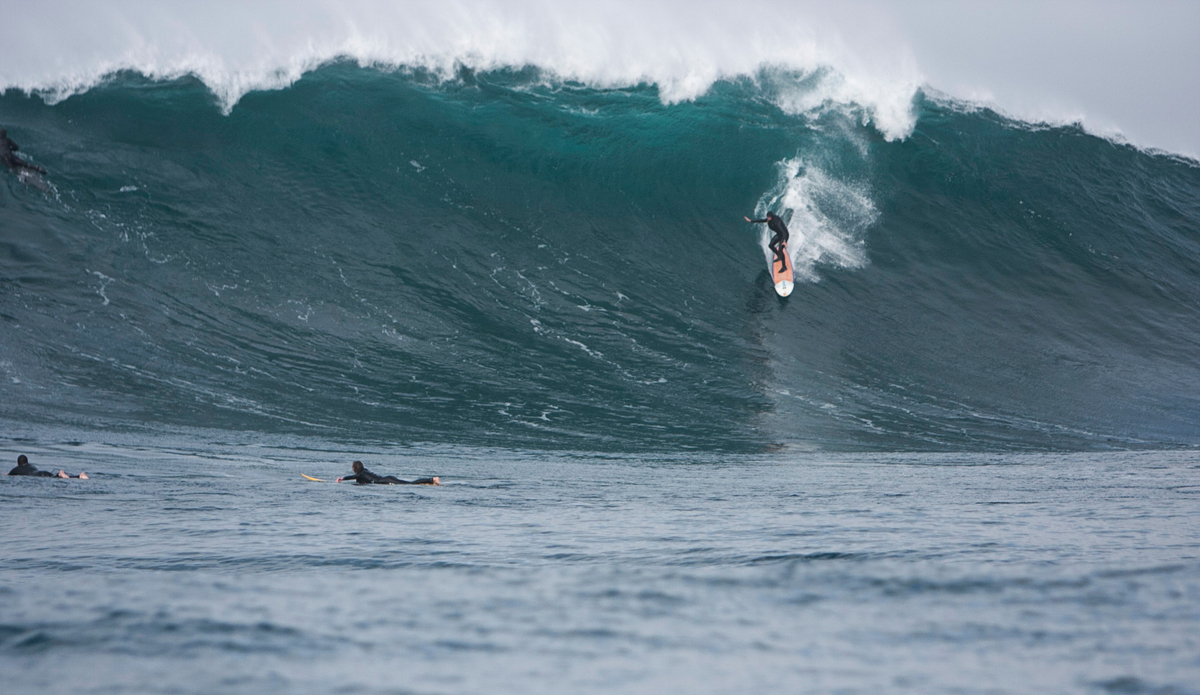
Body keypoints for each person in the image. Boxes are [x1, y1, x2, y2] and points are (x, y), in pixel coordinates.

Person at [336, 460, 439, 485]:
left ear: (355, 468)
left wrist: (343, 478)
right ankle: (431, 480)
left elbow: (353, 477)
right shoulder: (364, 471)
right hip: (387, 478)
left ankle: (432, 479)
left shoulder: (361, 473)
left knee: (410, 484)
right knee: (409, 483)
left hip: (387, 480)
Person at [7, 454, 88, 479]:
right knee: (55, 476)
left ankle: (77, 476)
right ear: (27, 462)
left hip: (39, 476)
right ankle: (78, 476)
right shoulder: (31, 466)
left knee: (56, 477)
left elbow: (9, 475)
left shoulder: (15, 470)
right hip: (42, 472)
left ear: (18, 463)